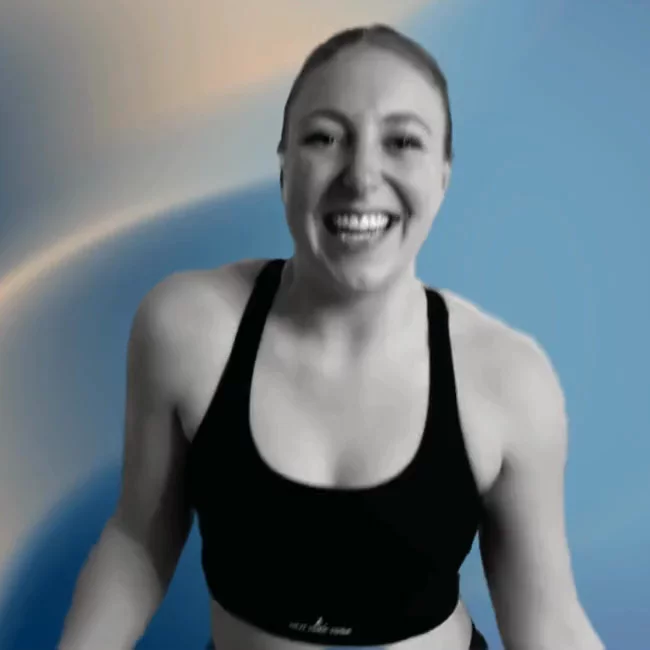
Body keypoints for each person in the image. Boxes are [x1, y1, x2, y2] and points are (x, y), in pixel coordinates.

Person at [58, 24, 605, 650]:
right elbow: (139, 542)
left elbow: (547, 621)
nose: (362, 175)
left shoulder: (508, 379)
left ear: (443, 175)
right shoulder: (186, 328)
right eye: (325, 137)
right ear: (285, 165)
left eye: (403, 141)